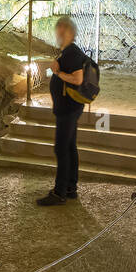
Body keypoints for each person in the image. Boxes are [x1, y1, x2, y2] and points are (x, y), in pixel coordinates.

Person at [36, 16, 90, 206]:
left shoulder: (72, 53)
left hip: (68, 108)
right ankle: (70, 187)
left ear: (70, 33)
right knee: (69, 147)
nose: (58, 33)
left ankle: (60, 193)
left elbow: (77, 79)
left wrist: (57, 73)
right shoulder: (66, 52)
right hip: (68, 107)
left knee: (61, 148)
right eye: (58, 29)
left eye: (62, 30)